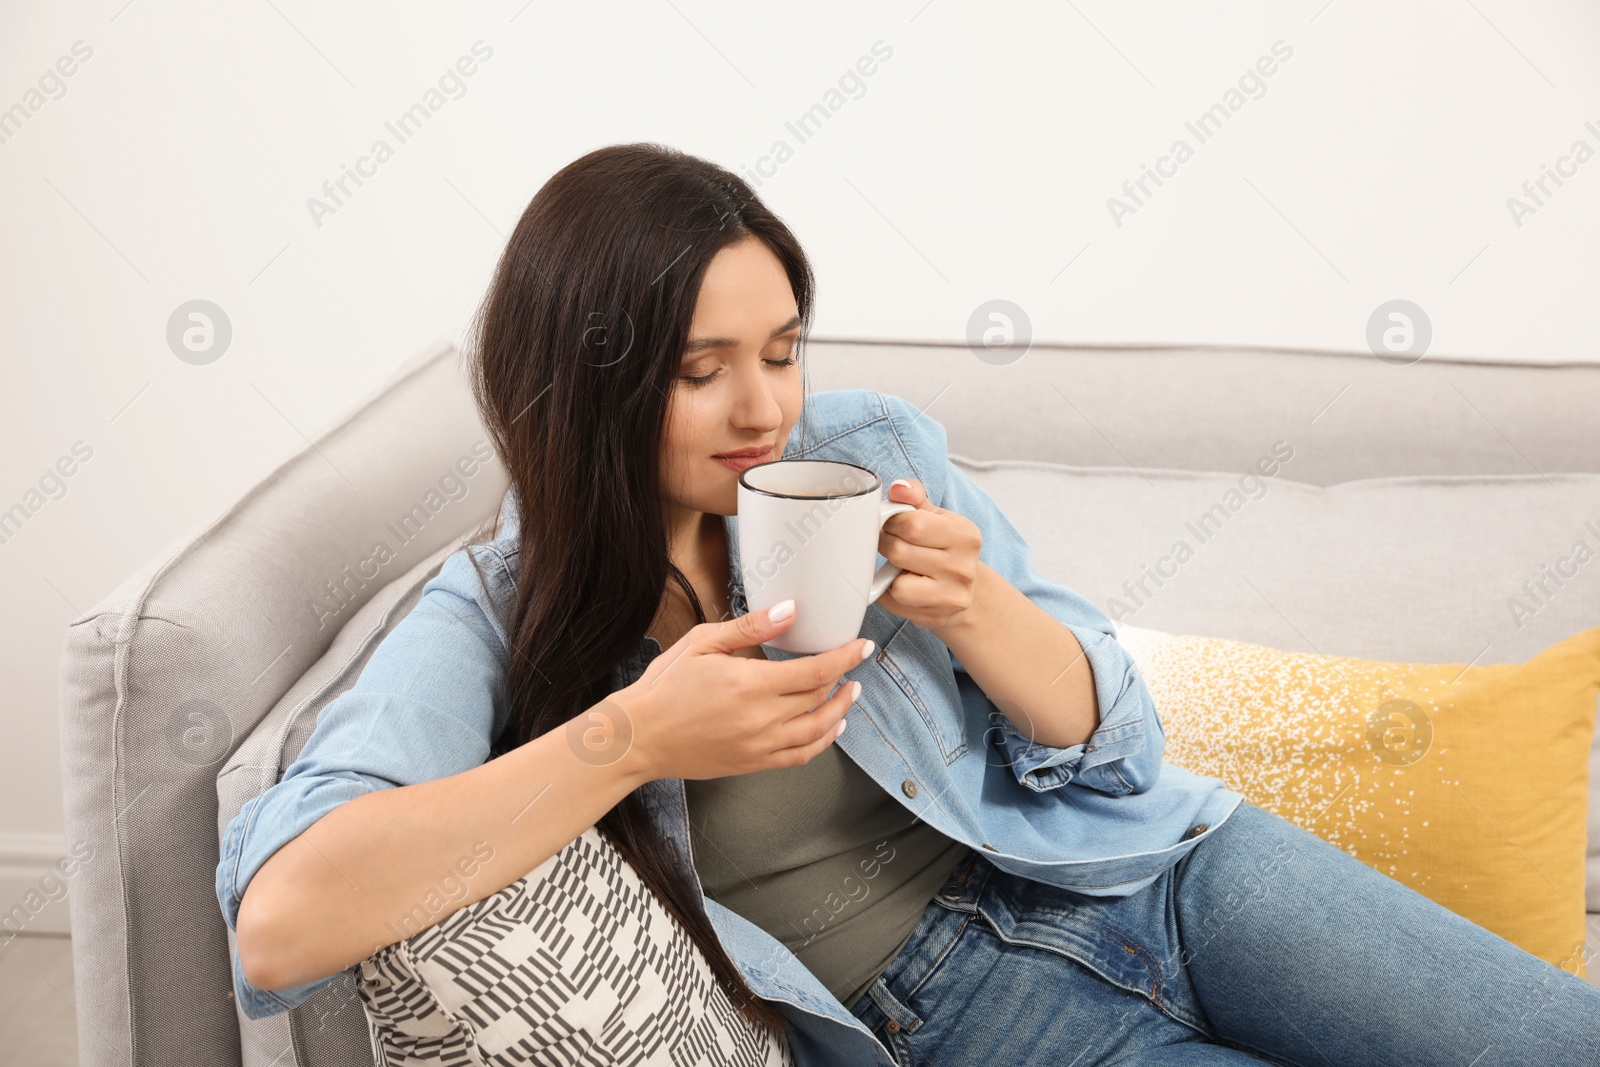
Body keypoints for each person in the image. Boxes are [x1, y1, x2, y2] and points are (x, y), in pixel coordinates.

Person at [216, 142, 1600, 1066]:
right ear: (589, 385)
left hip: (1163, 872)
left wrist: (978, 608)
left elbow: (1114, 750)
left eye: (782, 350)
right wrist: (632, 739)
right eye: (702, 371)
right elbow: (281, 921)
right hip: (958, 1011)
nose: (765, 409)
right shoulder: (492, 615)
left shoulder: (875, 455)